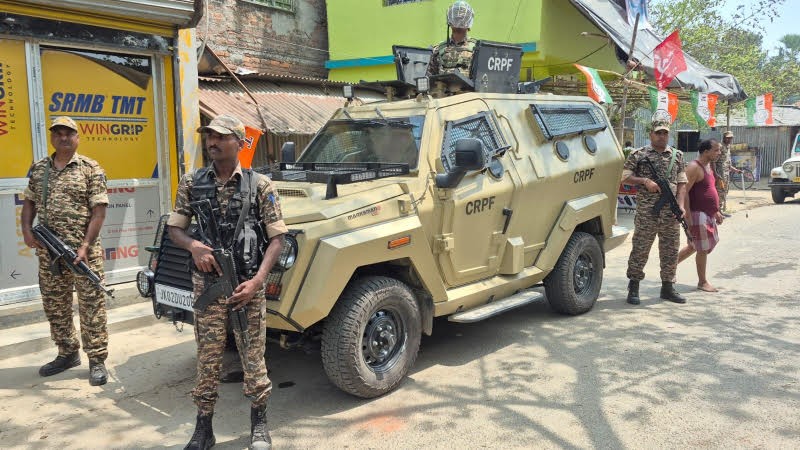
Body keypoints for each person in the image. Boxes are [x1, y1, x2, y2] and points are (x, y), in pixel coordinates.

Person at [167, 114, 286, 450]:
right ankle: (203, 427)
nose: (212, 143)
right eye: (209, 137)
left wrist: (259, 281)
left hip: (246, 285)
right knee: (208, 358)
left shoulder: (260, 185)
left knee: (253, 357)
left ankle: (259, 423)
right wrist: (193, 247)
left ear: (239, 142)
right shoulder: (191, 183)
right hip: (208, 287)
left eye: (220, 137)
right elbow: (175, 228)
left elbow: (278, 239)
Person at [21, 116, 110, 386]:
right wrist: (26, 230)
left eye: (68, 133)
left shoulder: (89, 168)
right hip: (50, 253)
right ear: (52, 137)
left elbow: (99, 212)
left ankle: (96, 359)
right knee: (55, 306)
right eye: (57, 133)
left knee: (92, 307)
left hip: (85, 253)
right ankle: (67, 352)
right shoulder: (39, 170)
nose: (63, 137)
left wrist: (84, 246)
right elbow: (29, 204)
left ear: (77, 137)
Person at [621, 114, 688, 305]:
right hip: (647, 214)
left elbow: (682, 183)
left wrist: (681, 206)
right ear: (651, 134)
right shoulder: (639, 155)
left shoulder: (677, 156)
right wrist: (644, 181)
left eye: (665, 133)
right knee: (640, 249)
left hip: (671, 214)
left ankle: (667, 287)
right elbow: (624, 177)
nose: (661, 136)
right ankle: (633, 287)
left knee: (670, 251)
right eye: (658, 133)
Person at [677, 139, 725, 292]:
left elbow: (708, 189)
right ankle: (702, 282)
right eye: (716, 150)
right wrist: (688, 217)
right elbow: (684, 192)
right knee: (701, 249)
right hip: (697, 214)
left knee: (693, 246)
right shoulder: (693, 167)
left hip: (707, 214)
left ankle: (668, 267)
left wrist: (716, 211)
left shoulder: (709, 166)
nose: (719, 153)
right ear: (706, 151)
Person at [426, 1, 477, 77]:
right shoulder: (437, 50)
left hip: (467, 89)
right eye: (456, 18)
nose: (459, 22)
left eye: (462, 19)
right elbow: (429, 79)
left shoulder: (476, 49)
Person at [713, 130, 741, 217]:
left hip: (726, 174)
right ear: (724, 138)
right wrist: (716, 174)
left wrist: (736, 170)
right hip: (720, 174)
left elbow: (727, 163)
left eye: (731, 138)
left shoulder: (728, 147)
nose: (729, 139)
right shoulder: (720, 147)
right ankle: (717, 212)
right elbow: (713, 162)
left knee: (724, 192)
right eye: (728, 138)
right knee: (719, 192)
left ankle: (720, 210)